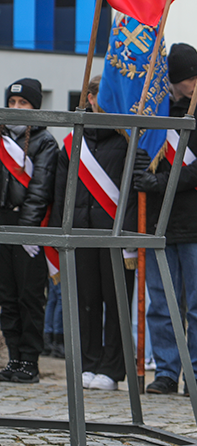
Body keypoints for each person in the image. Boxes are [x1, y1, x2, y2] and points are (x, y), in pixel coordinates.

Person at [134, 43, 197, 398]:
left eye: (196, 76)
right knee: (161, 304)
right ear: (172, 82)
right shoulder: (155, 107)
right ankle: (165, 371)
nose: (194, 84)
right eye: (187, 79)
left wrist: (161, 182)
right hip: (159, 220)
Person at [51, 75, 137, 391]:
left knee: (116, 302)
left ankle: (113, 369)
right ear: (90, 98)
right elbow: (62, 192)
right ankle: (88, 363)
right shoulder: (73, 142)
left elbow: (131, 192)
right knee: (85, 301)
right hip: (81, 231)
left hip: (114, 233)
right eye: (102, 96)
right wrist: (63, 229)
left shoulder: (128, 138)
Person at [0, 78, 58, 384]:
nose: (16, 108)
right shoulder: (1, 137)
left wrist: (26, 232)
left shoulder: (45, 142)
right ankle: (13, 358)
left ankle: (30, 360)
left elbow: (39, 190)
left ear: (35, 107)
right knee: (7, 296)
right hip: (2, 224)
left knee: (30, 297)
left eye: (23, 104)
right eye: (11, 103)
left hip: (29, 228)